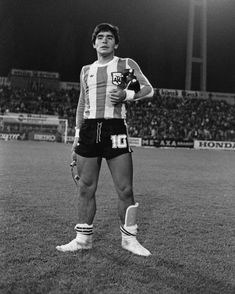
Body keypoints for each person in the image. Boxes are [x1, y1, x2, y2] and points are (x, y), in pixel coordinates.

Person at [56, 23, 154, 256]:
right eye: (100, 37)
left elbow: (148, 89)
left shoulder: (124, 64)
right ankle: (82, 240)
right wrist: (77, 136)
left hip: (114, 128)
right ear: (94, 43)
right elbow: (82, 104)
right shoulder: (85, 70)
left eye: (109, 37)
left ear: (115, 43)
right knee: (85, 187)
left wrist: (127, 94)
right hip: (89, 129)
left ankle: (129, 240)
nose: (104, 40)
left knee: (125, 188)